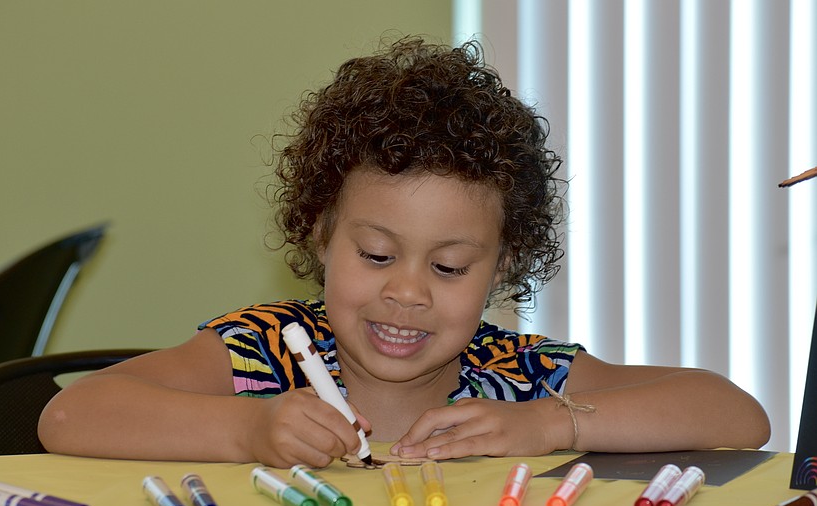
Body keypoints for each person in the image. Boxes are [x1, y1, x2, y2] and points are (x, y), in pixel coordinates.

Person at [38, 37, 770, 468]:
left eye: (449, 267)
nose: (410, 293)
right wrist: (247, 429)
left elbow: (737, 415)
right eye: (378, 255)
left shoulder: (515, 376)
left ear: (502, 267)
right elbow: (69, 418)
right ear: (323, 233)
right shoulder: (261, 352)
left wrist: (554, 424)